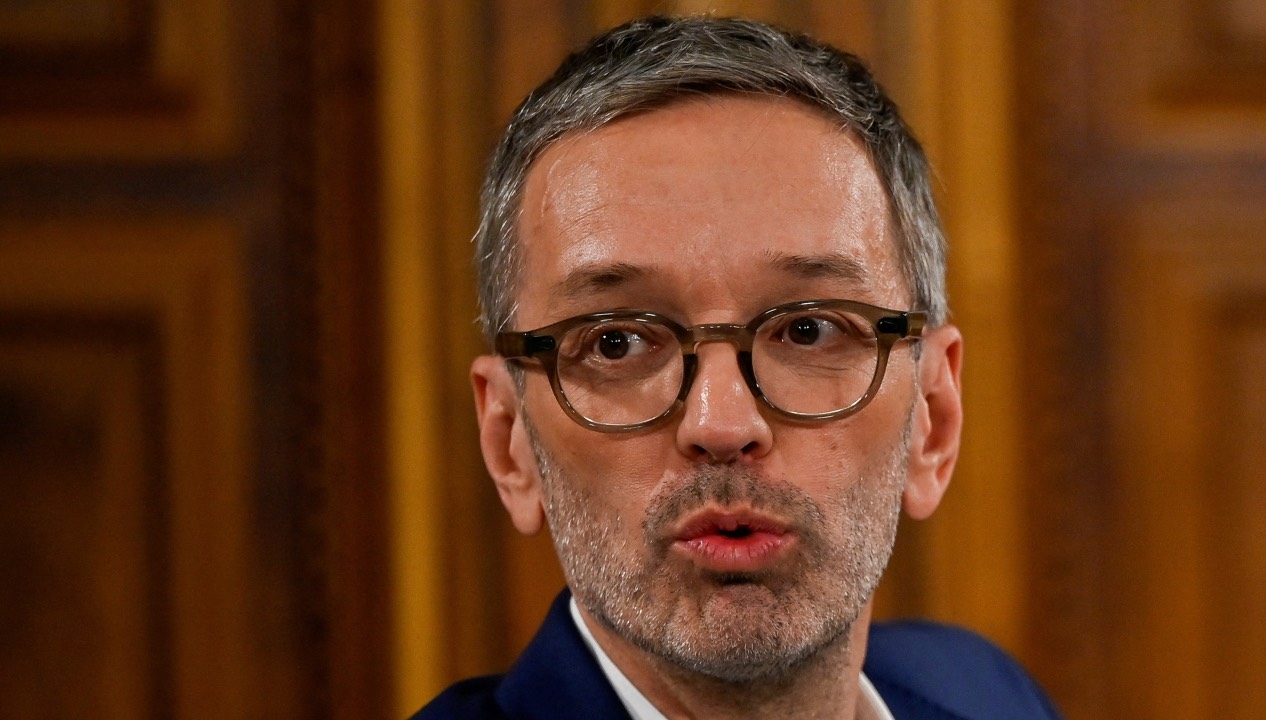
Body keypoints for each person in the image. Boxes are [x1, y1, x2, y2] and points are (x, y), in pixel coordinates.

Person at [414, 15, 1060, 720]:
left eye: (809, 330)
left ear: (933, 421)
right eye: (617, 342)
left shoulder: (987, 696)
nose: (721, 424)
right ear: (510, 441)